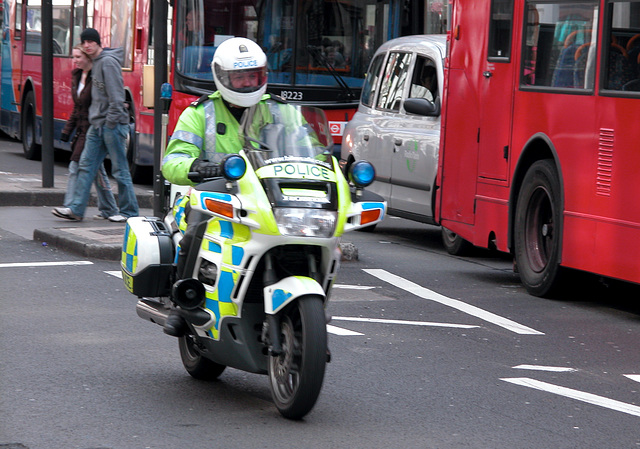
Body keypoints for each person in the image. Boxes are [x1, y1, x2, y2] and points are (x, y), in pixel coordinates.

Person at [160, 37, 270, 336]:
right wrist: (197, 167)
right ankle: (182, 304)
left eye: (252, 76)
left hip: (268, 199)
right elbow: (171, 162)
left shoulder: (277, 110)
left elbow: (307, 148)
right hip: (212, 195)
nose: (247, 83)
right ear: (223, 78)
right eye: (239, 76)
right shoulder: (199, 113)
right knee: (193, 233)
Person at [52, 28, 139, 222]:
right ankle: (76, 209)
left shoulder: (108, 63)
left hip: (111, 126)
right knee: (85, 165)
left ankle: (129, 212)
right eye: (84, 42)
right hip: (97, 125)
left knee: (120, 170)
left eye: (91, 41)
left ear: (98, 43)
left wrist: (109, 123)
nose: (87, 45)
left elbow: (117, 98)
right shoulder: (97, 63)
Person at [53, 45, 119, 221]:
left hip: (93, 128)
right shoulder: (76, 76)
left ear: (88, 58)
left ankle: (71, 207)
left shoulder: (96, 77)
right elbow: (78, 107)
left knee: (77, 166)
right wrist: (67, 130)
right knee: (96, 170)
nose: (74, 61)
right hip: (83, 129)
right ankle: (109, 209)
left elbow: (107, 101)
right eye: (73, 57)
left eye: (77, 57)